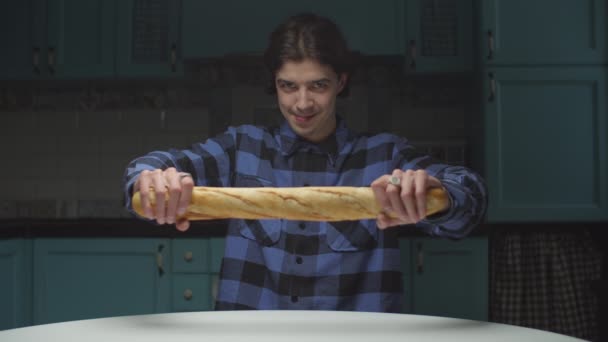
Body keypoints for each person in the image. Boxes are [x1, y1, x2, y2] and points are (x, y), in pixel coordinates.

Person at [123, 13, 487, 312]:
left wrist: (439, 194)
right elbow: (155, 167)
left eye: (317, 86)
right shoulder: (242, 148)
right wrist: (150, 180)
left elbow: (468, 198)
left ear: (341, 82)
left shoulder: (384, 157)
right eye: (288, 86)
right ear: (274, 83)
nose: (302, 103)